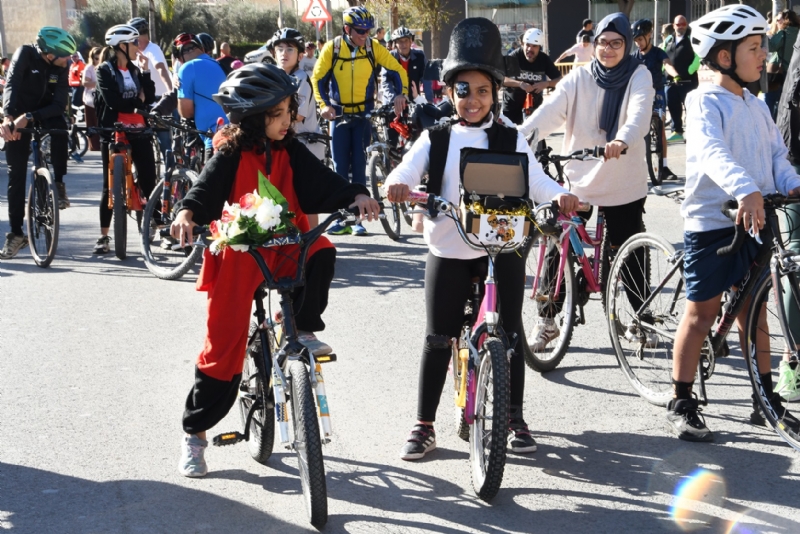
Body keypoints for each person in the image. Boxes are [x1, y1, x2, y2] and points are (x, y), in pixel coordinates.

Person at [170, 63, 381, 477]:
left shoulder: (289, 149)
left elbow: (322, 179)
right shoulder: (230, 150)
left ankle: (300, 325)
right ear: (254, 117)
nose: (291, 120)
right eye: (281, 114)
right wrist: (187, 212)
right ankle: (194, 435)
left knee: (320, 249)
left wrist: (356, 194)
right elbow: (205, 188)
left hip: (284, 244)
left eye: (290, 111)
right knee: (223, 348)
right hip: (240, 250)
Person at [384, 17, 578, 461]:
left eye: (484, 90)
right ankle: (424, 423)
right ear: (450, 93)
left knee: (509, 334)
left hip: (501, 245)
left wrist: (562, 195)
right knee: (437, 337)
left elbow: (539, 181)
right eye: (463, 90)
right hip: (450, 247)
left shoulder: (510, 137)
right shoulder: (436, 137)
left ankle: (513, 416)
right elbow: (406, 170)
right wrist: (397, 184)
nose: (473, 99)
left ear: (496, 93)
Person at [668, 5, 800, 442]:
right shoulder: (703, 100)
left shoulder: (757, 104)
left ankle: (764, 395)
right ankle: (681, 399)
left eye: (763, 45)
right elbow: (711, 152)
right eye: (754, 47)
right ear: (725, 57)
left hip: (756, 219)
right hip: (714, 222)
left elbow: (777, 156)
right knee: (702, 313)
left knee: (755, 311)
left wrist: (791, 184)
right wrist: (746, 189)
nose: (764, 54)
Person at [519, 12, 654, 351]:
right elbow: (546, 115)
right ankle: (547, 320)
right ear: (593, 45)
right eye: (602, 43)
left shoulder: (639, 75)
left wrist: (622, 140)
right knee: (555, 241)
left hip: (622, 176)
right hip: (578, 177)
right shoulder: (578, 79)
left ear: (626, 44)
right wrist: (519, 139)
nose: (608, 49)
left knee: (629, 246)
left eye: (616, 43)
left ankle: (640, 317)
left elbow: (639, 115)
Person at [312, 5, 408, 236]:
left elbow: (397, 70)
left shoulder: (374, 48)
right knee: (340, 168)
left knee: (359, 167)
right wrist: (324, 106)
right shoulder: (332, 48)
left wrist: (401, 93)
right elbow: (317, 79)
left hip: (364, 114)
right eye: (360, 31)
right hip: (340, 115)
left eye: (367, 31)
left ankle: (358, 220)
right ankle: (341, 218)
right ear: (347, 29)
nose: (365, 35)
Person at [0, 26, 75, 259]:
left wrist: (31, 117)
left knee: (61, 127)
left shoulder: (62, 68)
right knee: (17, 173)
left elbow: (59, 104)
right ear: (49, 53)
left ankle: (59, 184)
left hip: (45, 112)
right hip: (17, 113)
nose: (69, 60)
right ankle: (16, 234)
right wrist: (8, 118)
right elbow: (11, 85)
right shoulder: (26, 54)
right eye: (65, 55)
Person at [92, 24, 157, 254]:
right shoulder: (104, 71)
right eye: (135, 43)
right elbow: (113, 102)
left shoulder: (136, 69)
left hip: (139, 129)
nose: (139, 47)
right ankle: (103, 236)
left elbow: (148, 96)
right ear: (122, 46)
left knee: (150, 178)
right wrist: (136, 103)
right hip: (113, 130)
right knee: (107, 186)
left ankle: (157, 223)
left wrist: (146, 71)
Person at [631, 19, 679, 181]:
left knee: (661, 129)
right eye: (636, 40)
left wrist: (675, 75)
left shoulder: (658, 52)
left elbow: (667, 65)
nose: (638, 43)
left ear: (649, 35)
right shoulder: (634, 57)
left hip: (657, 92)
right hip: (640, 94)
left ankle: (664, 167)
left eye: (640, 39)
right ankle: (637, 165)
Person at [174, 33, 228, 159]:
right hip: (234, 132)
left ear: (179, 58)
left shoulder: (186, 68)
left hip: (215, 139)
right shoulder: (218, 64)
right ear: (202, 49)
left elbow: (186, 112)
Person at [127, 17, 174, 155]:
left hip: (160, 100)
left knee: (164, 140)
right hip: (144, 102)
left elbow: (161, 69)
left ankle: (169, 173)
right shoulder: (134, 53)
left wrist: (171, 91)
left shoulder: (153, 49)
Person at [502, 28, 561, 125]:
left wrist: (547, 83)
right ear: (522, 44)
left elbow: (559, 79)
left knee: (536, 137)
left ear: (539, 47)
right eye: (527, 45)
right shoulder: (514, 56)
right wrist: (520, 84)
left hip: (534, 106)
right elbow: (501, 78)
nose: (530, 49)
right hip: (512, 106)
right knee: (509, 137)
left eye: (534, 46)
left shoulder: (544, 59)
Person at [665, 15, 699, 142]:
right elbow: (663, 54)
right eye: (678, 24)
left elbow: (698, 56)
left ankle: (693, 131)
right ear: (673, 26)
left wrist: (689, 71)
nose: (681, 27)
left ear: (687, 24)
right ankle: (677, 131)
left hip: (688, 81)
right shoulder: (669, 39)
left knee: (690, 107)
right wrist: (664, 70)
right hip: (671, 81)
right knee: (673, 106)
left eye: (683, 24)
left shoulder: (692, 38)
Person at [765, 9, 800, 120]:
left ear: (785, 20)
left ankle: (769, 125)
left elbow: (770, 47)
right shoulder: (798, 32)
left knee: (770, 101)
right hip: (794, 73)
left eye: (779, 19)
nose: (777, 22)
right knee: (787, 102)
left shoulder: (783, 33)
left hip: (777, 71)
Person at [82, 46, 101, 151]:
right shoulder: (89, 68)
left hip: (101, 101)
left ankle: (102, 143)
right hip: (90, 100)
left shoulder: (106, 66)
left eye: (100, 57)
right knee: (92, 124)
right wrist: (99, 84)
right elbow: (85, 82)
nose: (98, 60)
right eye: (96, 58)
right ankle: (94, 146)